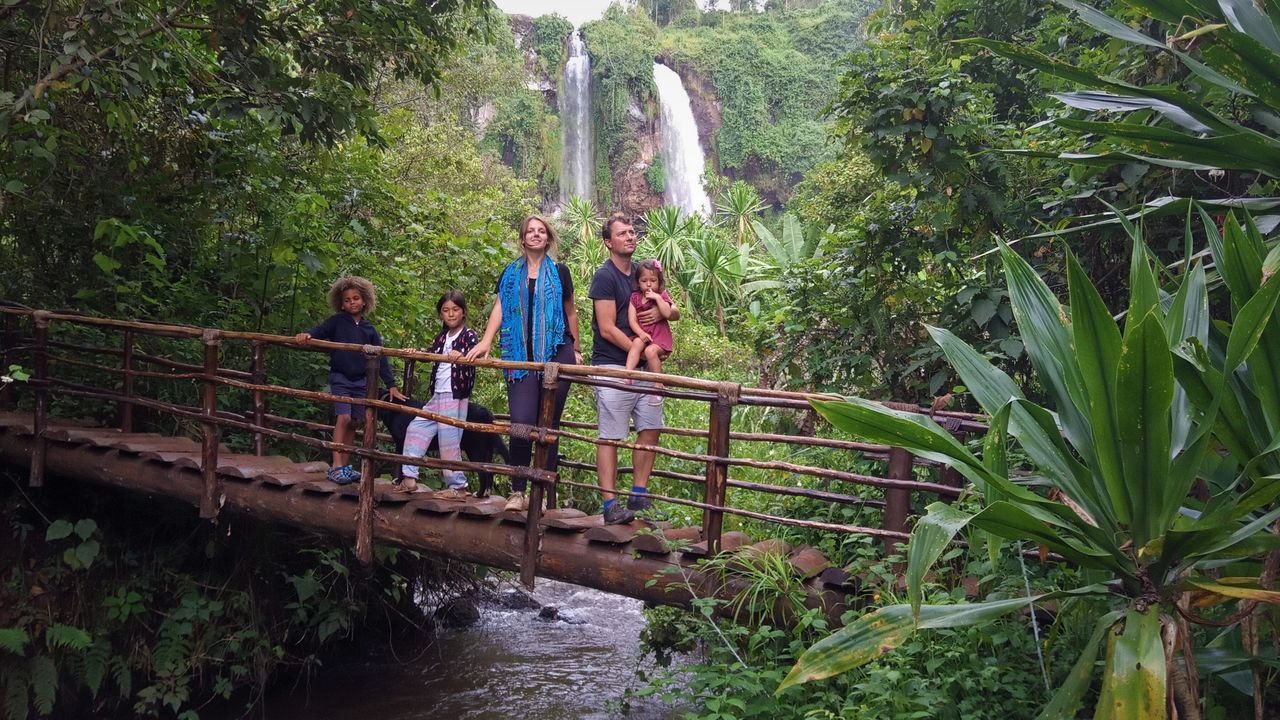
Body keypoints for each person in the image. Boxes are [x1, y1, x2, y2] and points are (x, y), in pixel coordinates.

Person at [466, 214, 582, 512]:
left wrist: (577, 349)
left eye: (541, 231)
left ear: (548, 238)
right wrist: (486, 341)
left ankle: (540, 492)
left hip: (558, 351)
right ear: (522, 238)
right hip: (519, 357)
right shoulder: (510, 273)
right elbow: (501, 308)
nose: (535, 235)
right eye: (530, 231)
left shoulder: (560, 272)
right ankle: (517, 490)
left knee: (549, 425)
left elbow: (570, 312)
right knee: (520, 422)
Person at [590, 213, 677, 524]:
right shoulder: (605, 277)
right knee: (610, 436)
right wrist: (640, 353)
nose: (629, 236)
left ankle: (639, 496)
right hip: (612, 366)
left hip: (643, 369)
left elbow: (668, 302)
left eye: (632, 231)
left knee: (649, 429)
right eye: (622, 233)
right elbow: (607, 328)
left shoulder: (642, 273)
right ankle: (610, 505)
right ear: (608, 242)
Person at [295, 276, 405, 485]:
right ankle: (336, 465)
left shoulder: (369, 329)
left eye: (356, 298)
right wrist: (307, 335)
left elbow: (381, 358)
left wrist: (391, 384)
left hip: (361, 382)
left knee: (354, 422)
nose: (352, 302)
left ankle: (344, 466)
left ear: (364, 301)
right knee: (343, 418)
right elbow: (319, 331)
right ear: (341, 303)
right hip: (341, 378)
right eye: (347, 300)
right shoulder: (336, 322)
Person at [399, 290, 479, 497]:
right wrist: (416, 353)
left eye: (455, 310)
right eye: (446, 310)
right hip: (437, 395)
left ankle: (458, 488)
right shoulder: (442, 337)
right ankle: (409, 478)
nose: (451, 314)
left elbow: (476, 353)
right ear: (440, 314)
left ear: (463, 312)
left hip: (454, 395)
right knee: (416, 428)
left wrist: (461, 355)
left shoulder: (468, 335)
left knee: (449, 441)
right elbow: (431, 354)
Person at [624, 258, 676, 403]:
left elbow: (667, 313)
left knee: (650, 351)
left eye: (653, 280)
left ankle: (658, 384)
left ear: (659, 282)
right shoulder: (635, 298)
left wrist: (658, 298)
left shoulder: (662, 295)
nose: (648, 284)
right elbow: (632, 320)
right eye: (644, 281)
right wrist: (640, 334)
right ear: (638, 282)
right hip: (644, 334)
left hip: (659, 338)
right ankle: (628, 374)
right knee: (636, 344)